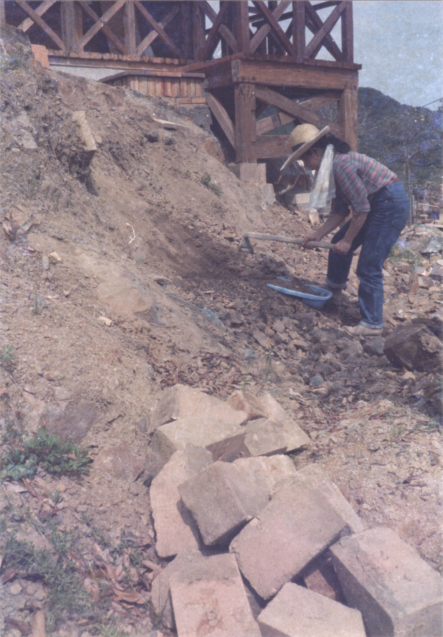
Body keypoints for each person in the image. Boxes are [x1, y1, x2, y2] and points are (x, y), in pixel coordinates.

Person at [281, 124, 410, 336]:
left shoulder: (341, 165)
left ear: (315, 152)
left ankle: (372, 323)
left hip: (390, 203)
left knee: (369, 264)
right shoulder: (333, 165)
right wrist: (318, 234)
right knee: (338, 239)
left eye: (305, 160)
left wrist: (348, 242)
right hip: (379, 201)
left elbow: (361, 209)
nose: (306, 166)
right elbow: (340, 210)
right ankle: (333, 293)